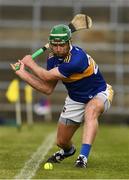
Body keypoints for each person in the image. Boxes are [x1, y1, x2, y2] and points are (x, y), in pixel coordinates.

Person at [11, 24, 114, 168]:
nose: (59, 49)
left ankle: (82, 158)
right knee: (61, 141)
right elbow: (47, 88)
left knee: (91, 111)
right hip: (75, 99)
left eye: (62, 45)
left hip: (99, 92)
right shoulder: (52, 59)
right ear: (51, 44)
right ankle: (68, 151)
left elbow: (46, 76)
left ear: (69, 42)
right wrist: (23, 73)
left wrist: (30, 63)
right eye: (55, 45)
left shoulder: (77, 58)